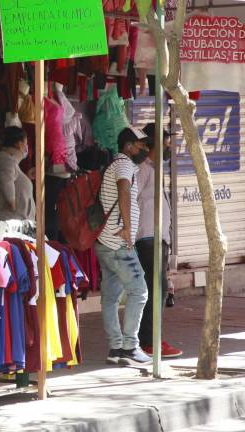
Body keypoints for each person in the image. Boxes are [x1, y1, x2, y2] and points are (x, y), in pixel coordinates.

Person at [96, 126, 153, 366]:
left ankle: (116, 349)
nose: (145, 149)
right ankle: (130, 347)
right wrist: (128, 228)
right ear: (128, 146)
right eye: (141, 145)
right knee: (139, 291)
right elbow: (124, 191)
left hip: (105, 241)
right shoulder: (123, 165)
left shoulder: (118, 164)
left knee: (110, 297)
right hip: (118, 242)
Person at [136, 123, 183, 358]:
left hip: (157, 238)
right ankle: (149, 341)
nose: (169, 148)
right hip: (148, 238)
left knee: (158, 289)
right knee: (156, 290)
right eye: (166, 144)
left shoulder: (155, 169)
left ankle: (150, 338)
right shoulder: (143, 169)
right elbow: (131, 200)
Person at [0, 126, 35, 221]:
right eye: (25, 144)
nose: (26, 148)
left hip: (16, 221)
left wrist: (26, 177)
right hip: (13, 221)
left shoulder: (6, 161)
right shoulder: (6, 161)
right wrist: (11, 201)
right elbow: (5, 179)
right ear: (19, 144)